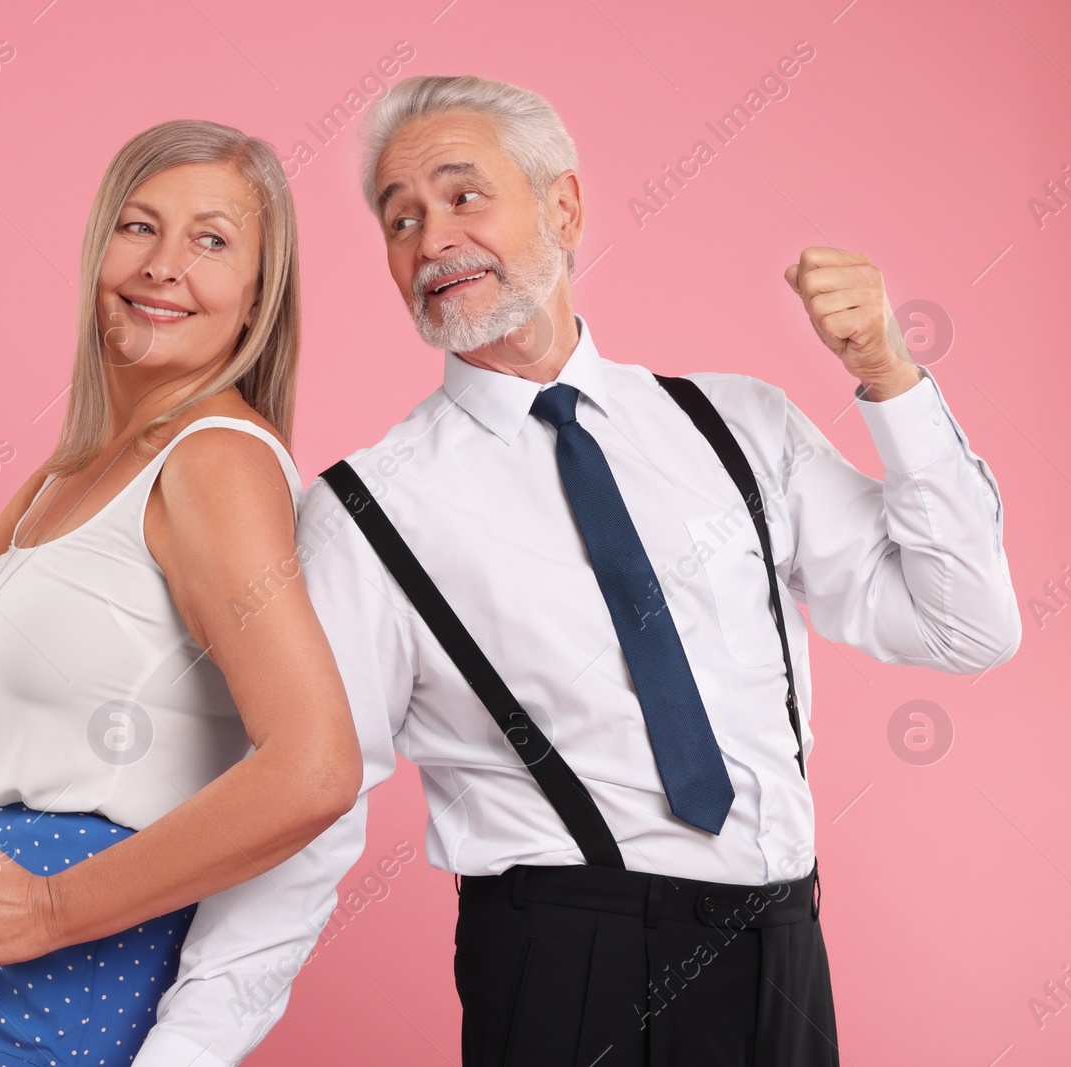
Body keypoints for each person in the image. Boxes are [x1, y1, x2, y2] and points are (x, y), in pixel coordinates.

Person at [132, 76, 1022, 1067]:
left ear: (563, 206)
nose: (429, 240)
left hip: (787, 960)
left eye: (463, 197)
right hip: (567, 974)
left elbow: (966, 625)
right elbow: (306, 806)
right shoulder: (366, 512)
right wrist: (180, 1052)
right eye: (400, 219)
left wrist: (891, 379)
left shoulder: (737, 423)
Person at [0, 119, 362, 1066]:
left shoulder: (217, 463)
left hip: (71, 962)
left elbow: (315, 766)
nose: (163, 266)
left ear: (256, 298)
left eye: (212, 241)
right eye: (139, 226)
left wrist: (52, 906)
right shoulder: (73, 471)